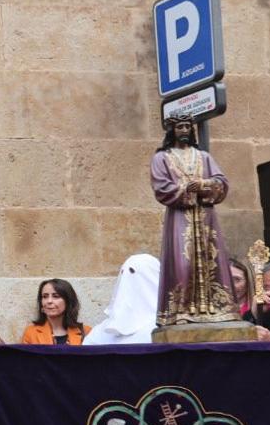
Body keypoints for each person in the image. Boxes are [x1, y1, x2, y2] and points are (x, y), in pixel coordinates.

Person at [151, 117, 240, 326]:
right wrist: (185, 190)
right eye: (180, 127)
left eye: (187, 127)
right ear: (172, 130)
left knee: (212, 258)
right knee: (183, 263)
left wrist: (203, 184)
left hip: (205, 217)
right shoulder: (162, 158)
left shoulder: (204, 157)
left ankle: (217, 308)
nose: (184, 130)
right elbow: (161, 187)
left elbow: (221, 182)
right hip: (180, 217)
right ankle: (180, 310)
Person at [83, 255, 162, 346]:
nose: (128, 279)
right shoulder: (101, 331)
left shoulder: (164, 329)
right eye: (123, 273)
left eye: (132, 272)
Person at [20, 279, 90, 345]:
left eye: (56, 296)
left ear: (68, 301)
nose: (49, 301)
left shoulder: (86, 332)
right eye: (45, 296)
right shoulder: (31, 332)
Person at [228, 256, 257, 321]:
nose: (230, 285)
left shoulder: (260, 307)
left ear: (249, 281)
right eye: (227, 278)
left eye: (236, 279)